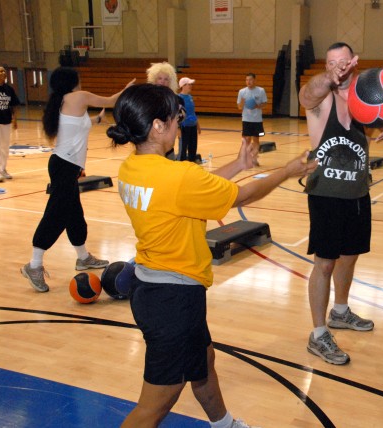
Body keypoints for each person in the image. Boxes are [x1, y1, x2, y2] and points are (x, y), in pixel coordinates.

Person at [108, 83, 316, 428]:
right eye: (176, 117)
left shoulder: (134, 168)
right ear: (158, 126)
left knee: (203, 363)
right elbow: (243, 196)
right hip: (172, 298)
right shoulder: (176, 176)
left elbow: (194, 191)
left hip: (156, 289)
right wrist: (287, 172)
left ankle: (224, 424)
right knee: (155, 405)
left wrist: (238, 163)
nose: (180, 124)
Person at [298, 42, 383, 365]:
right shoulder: (321, 99)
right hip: (326, 195)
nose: (338, 67)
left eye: (343, 61)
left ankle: (340, 312)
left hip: (357, 193)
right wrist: (327, 77)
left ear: (355, 63)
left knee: (350, 257)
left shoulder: (363, 99)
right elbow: (305, 94)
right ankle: (318, 335)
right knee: (325, 263)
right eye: (332, 62)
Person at [20, 67, 134, 293]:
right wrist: (127, 90)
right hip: (64, 166)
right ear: (73, 81)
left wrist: (96, 119)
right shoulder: (79, 97)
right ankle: (34, 265)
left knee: (74, 215)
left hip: (65, 166)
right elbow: (112, 101)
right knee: (56, 214)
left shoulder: (62, 101)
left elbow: (74, 126)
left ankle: (83, 257)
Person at [146, 62, 179, 160]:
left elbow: (179, 117)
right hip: (150, 141)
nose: (162, 81)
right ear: (154, 79)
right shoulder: (147, 97)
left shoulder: (175, 99)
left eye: (166, 79)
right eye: (159, 78)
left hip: (167, 143)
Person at [0, 65, 20, 183]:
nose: (4, 73)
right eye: (0, 71)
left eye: (4, 71)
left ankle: (4, 169)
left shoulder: (9, 89)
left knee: (5, 147)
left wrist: (15, 119)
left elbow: (13, 105)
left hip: (6, 120)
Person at [236, 73, 267, 166]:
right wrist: (243, 102)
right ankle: (243, 158)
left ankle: (254, 159)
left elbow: (265, 103)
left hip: (257, 120)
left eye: (250, 80)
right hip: (246, 119)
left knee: (256, 139)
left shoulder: (261, 91)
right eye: (246, 80)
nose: (248, 82)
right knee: (246, 139)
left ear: (254, 80)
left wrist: (257, 106)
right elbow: (239, 107)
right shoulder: (242, 92)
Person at [177, 76, 201, 162]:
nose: (191, 86)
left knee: (193, 147)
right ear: (183, 86)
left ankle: (192, 165)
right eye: (188, 84)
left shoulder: (190, 97)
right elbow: (177, 114)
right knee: (183, 149)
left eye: (191, 84)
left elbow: (192, 112)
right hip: (184, 127)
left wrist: (197, 124)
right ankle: (181, 165)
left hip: (192, 126)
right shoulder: (178, 98)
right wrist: (178, 128)